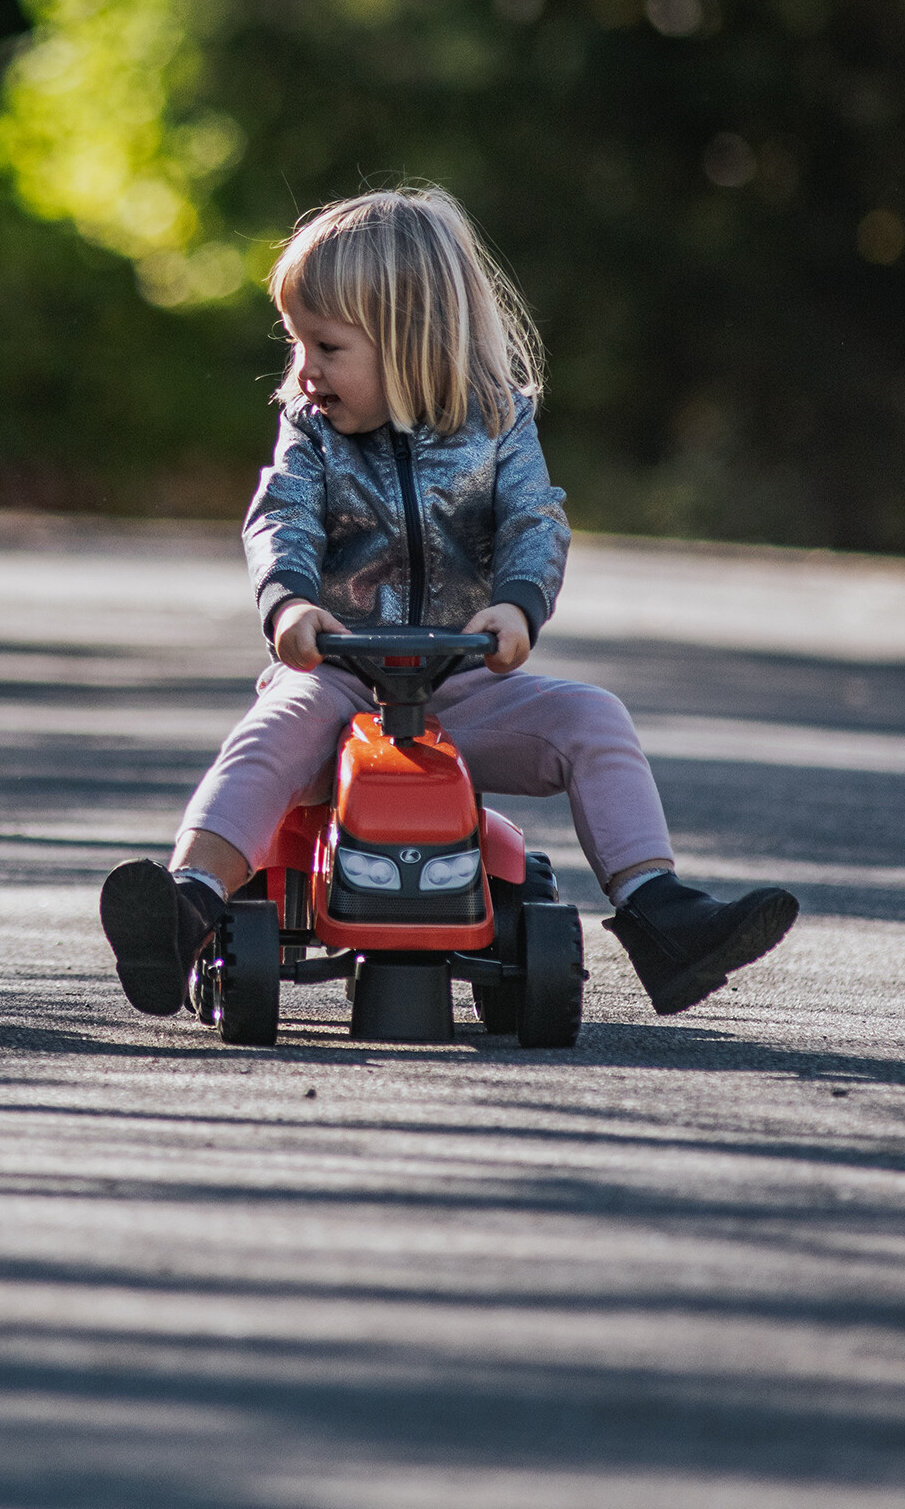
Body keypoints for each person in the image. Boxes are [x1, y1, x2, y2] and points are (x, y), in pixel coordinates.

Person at [99, 185, 798, 1020]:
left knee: (596, 719)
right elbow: (280, 514)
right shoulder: (311, 431)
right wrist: (289, 606)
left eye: (324, 346)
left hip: (461, 686)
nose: (303, 371)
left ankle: (661, 912)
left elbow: (534, 518)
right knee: (274, 731)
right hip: (342, 681)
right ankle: (188, 905)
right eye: (296, 344)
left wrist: (516, 607)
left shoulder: (499, 422)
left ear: (408, 341)